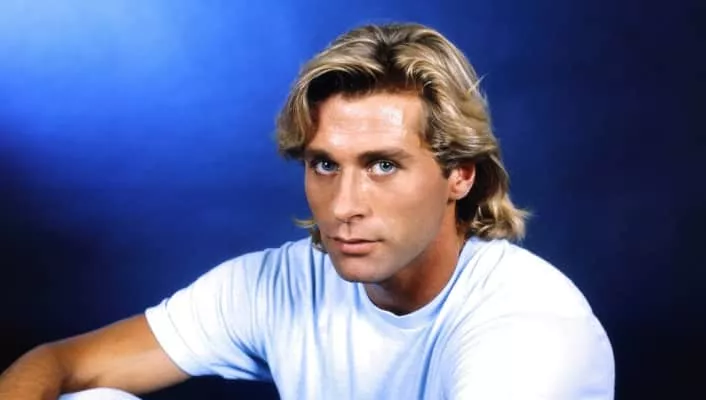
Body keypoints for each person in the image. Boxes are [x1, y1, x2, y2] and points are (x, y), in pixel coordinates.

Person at [0, 22, 615, 399]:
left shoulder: (529, 324)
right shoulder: (280, 284)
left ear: (459, 174)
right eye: (324, 164)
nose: (344, 206)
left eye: (383, 165)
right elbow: (61, 363)